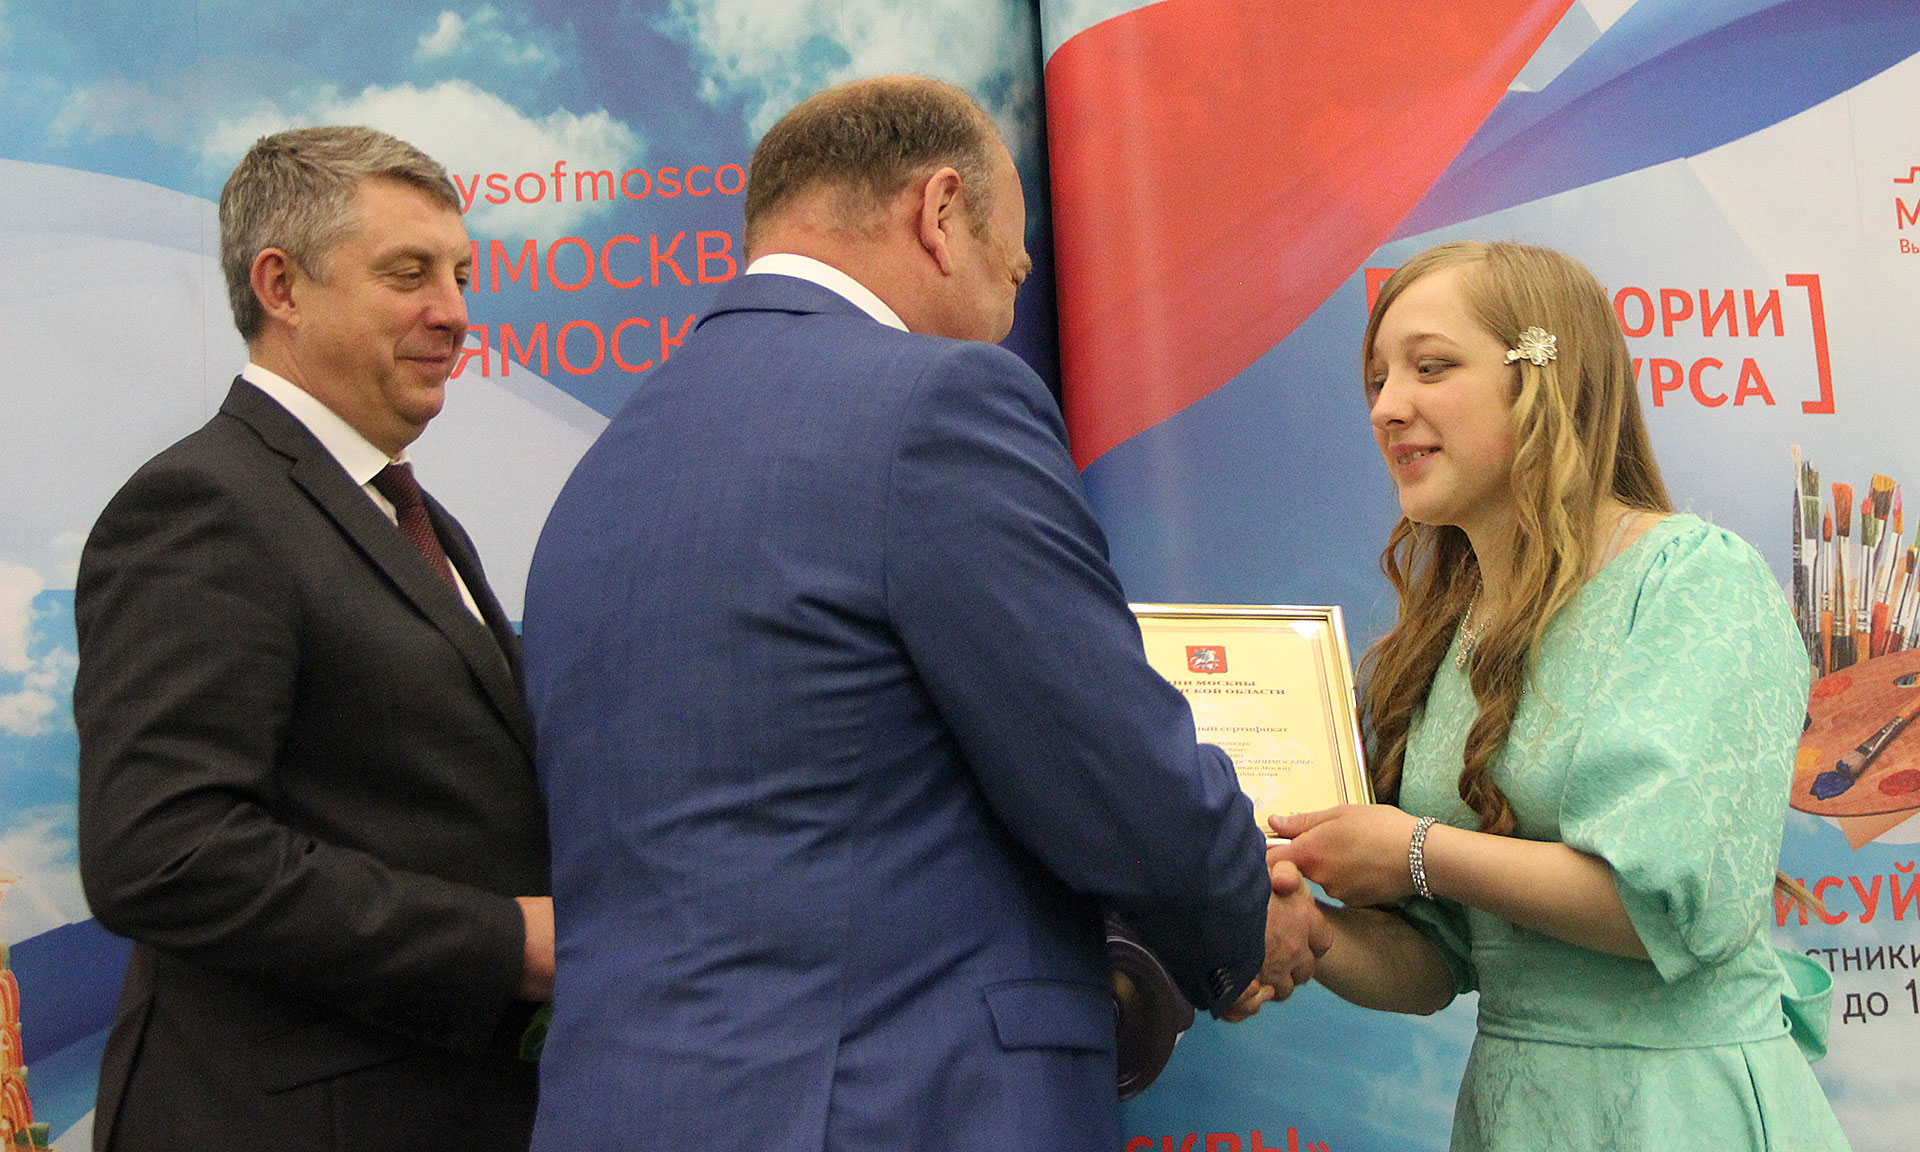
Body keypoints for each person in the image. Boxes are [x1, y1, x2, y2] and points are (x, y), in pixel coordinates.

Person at [521, 76, 1326, 1152]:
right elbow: (1104, 763)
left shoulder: (604, 472)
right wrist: (1243, 914)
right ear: (940, 213)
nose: (1006, 315)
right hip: (889, 1110)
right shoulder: (941, 403)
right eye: (1013, 271)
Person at [1268, 240, 1849, 1150]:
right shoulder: (1448, 635)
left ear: (1546, 376)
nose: (1386, 407)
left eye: (1431, 367)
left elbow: (1655, 908)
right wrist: (1305, 927)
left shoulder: (1696, 580)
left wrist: (1415, 851)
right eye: (1378, 381)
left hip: (1678, 1114)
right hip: (1516, 1115)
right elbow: (1437, 961)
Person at [73, 126, 552, 1152]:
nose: (455, 312)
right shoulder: (205, 504)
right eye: (409, 274)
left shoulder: (401, 511)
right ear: (281, 286)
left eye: (462, 276)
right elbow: (164, 853)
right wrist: (508, 942)